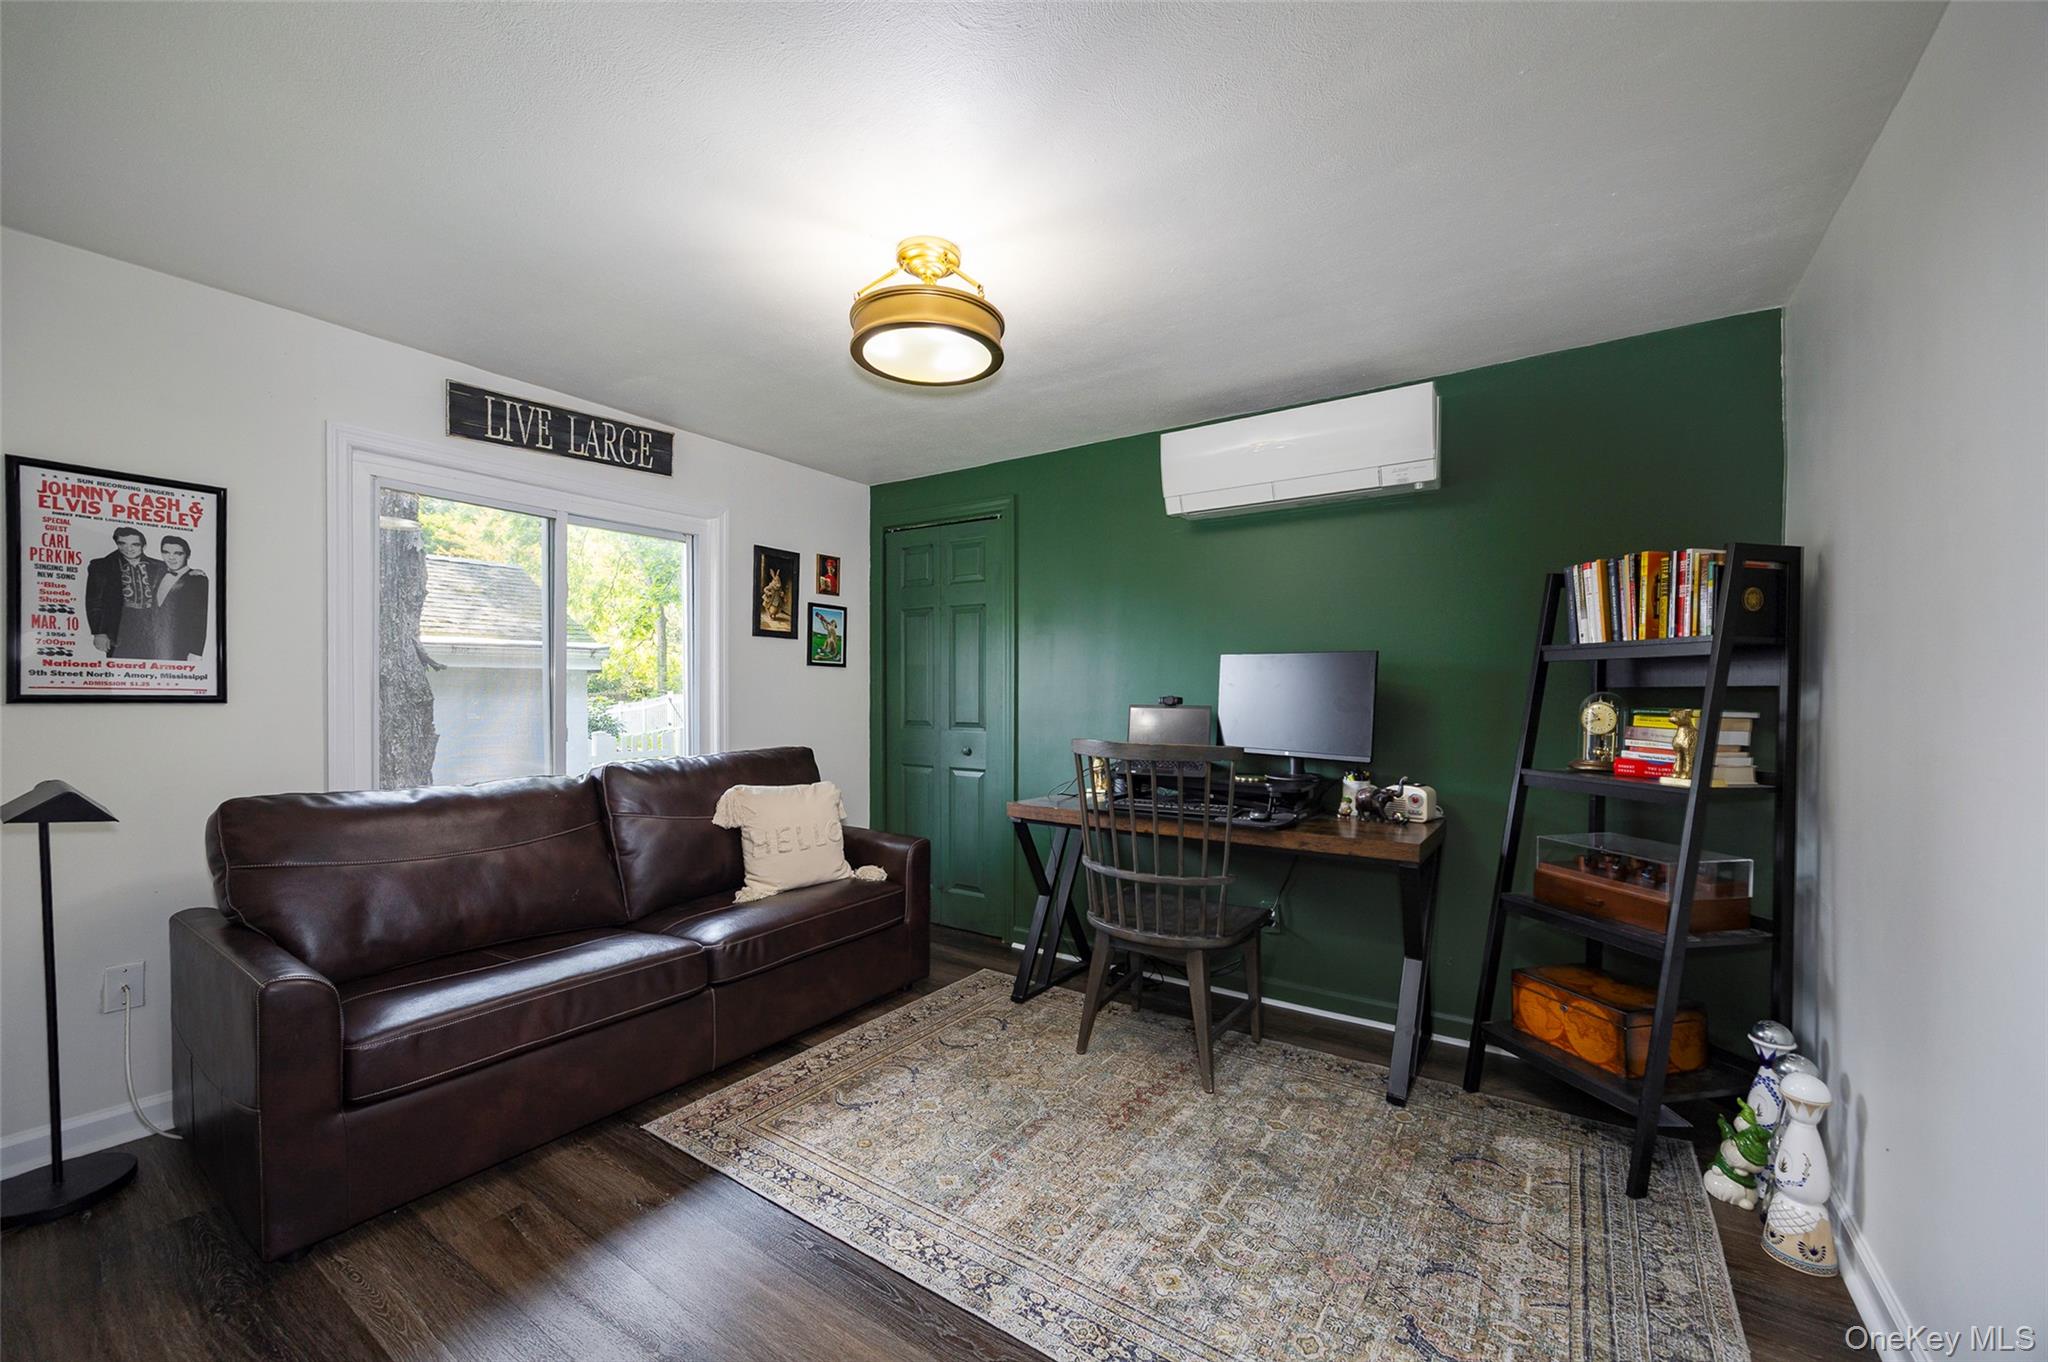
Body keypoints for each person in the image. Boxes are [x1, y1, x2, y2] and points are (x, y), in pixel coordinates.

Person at [83, 526, 164, 658]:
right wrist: (99, 632)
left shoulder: (160, 566)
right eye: (122, 544)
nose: (128, 548)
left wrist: (193, 574)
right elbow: (94, 600)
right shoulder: (102, 566)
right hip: (120, 626)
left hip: (152, 626)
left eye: (135, 544)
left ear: (144, 545)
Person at [153, 534, 210, 660]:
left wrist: (196, 651)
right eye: (166, 552)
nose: (171, 557)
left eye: (178, 553)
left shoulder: (197, 579)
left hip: (181, 647)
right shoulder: (158, 573)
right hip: (155, 646)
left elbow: (200, 617)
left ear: (187, 555)